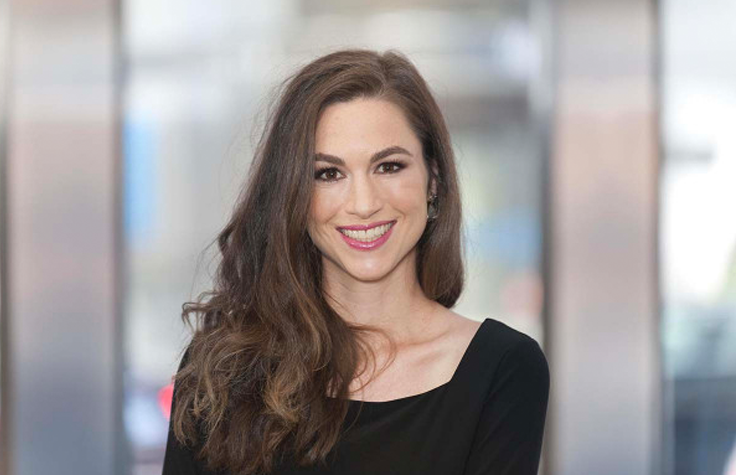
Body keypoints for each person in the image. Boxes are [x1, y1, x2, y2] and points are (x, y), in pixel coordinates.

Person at [162, 48, 549, 475]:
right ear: (293, 196)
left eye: (388, 166)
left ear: (432, 180)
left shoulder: (504, 369)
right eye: (328, 174)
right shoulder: (224, 369)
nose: (364, 204)